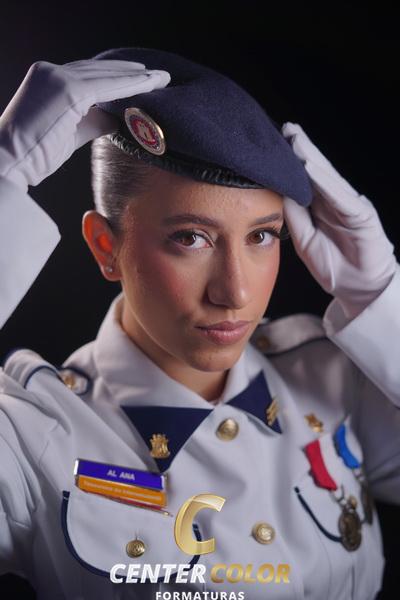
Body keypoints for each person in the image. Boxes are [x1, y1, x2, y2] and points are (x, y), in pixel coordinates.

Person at [0, 46, 399, 600]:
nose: (235, 292)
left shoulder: (333, 379)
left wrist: (384, 300)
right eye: (191, 238)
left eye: (262, 236)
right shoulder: (35, 436)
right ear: (105, 246)